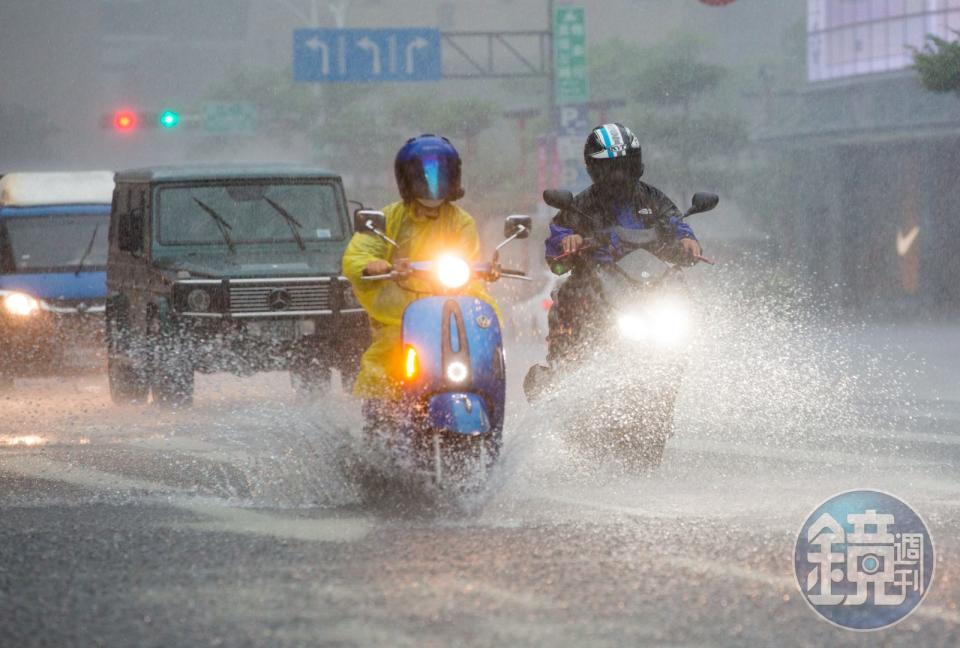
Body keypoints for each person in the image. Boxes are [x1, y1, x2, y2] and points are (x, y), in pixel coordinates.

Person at [341, 134, 498, 427]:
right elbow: (359, 252)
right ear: (406, 180)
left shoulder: (462, 221)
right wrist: (374, 265)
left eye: (441, 173)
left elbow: (468, 259)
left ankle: (489, 407)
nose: (432, 182)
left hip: (451, 306)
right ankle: (380, 430)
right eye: (422, 175)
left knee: (486, 343)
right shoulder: (389, 218)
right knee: (384, 366)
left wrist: (481, 270)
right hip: (401, 318)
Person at [543, 122, 702, 365]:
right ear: (594, 168)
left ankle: (691, 355)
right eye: (612, 167)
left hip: (649, 284)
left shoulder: (653, 197)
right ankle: (563, 363)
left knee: (680, 291)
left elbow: (674, 220)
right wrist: (568, 240)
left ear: (636, 164)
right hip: (600, 285)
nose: (620, 174)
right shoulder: (581, 204)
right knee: (569, 293)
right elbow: (559, 235)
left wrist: (687, 239)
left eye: (625, 165)